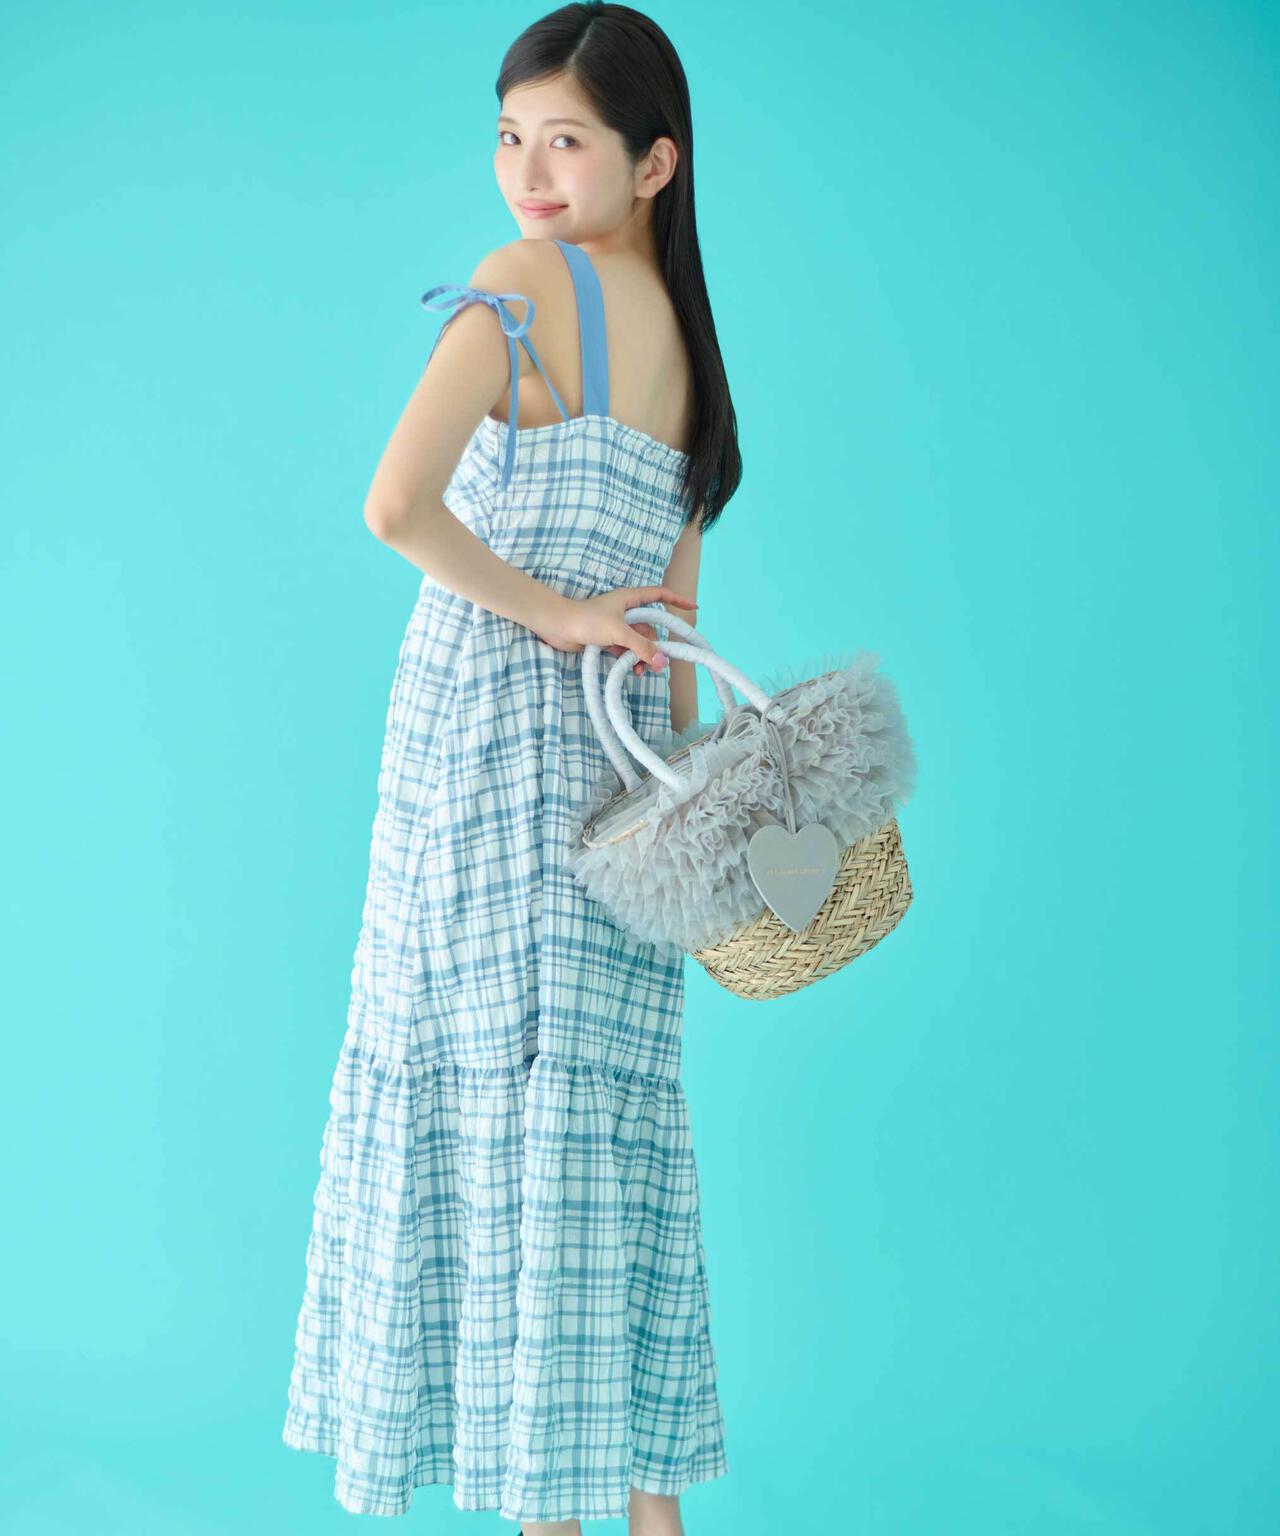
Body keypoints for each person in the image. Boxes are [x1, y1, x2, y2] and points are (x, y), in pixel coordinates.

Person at [282, 6, 743, 1533]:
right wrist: (680, 814)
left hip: (485, 757)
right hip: (620, 795)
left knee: (494, 1115)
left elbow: (395, 508)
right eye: (508, 138)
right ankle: (644, 1515)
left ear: (655, 162)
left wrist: (548, 615)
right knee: (597, 1141)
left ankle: (548, 1517)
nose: (528, 175)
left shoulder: (526, 287)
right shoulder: (698, 362)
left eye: (566, 142)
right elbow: (675, 640)